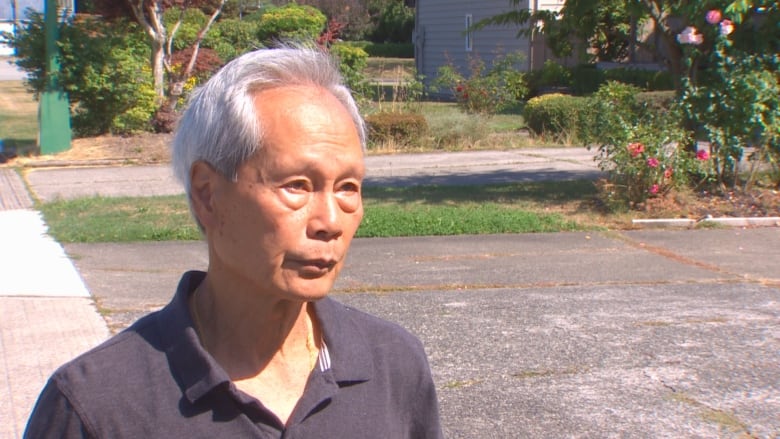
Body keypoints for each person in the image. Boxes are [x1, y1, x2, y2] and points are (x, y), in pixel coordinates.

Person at [25, 46, 442, 438]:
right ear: (207, 194)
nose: (330, 222)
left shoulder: (393, 365)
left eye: (348, 187)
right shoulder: (95, 406)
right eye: (297, 185)